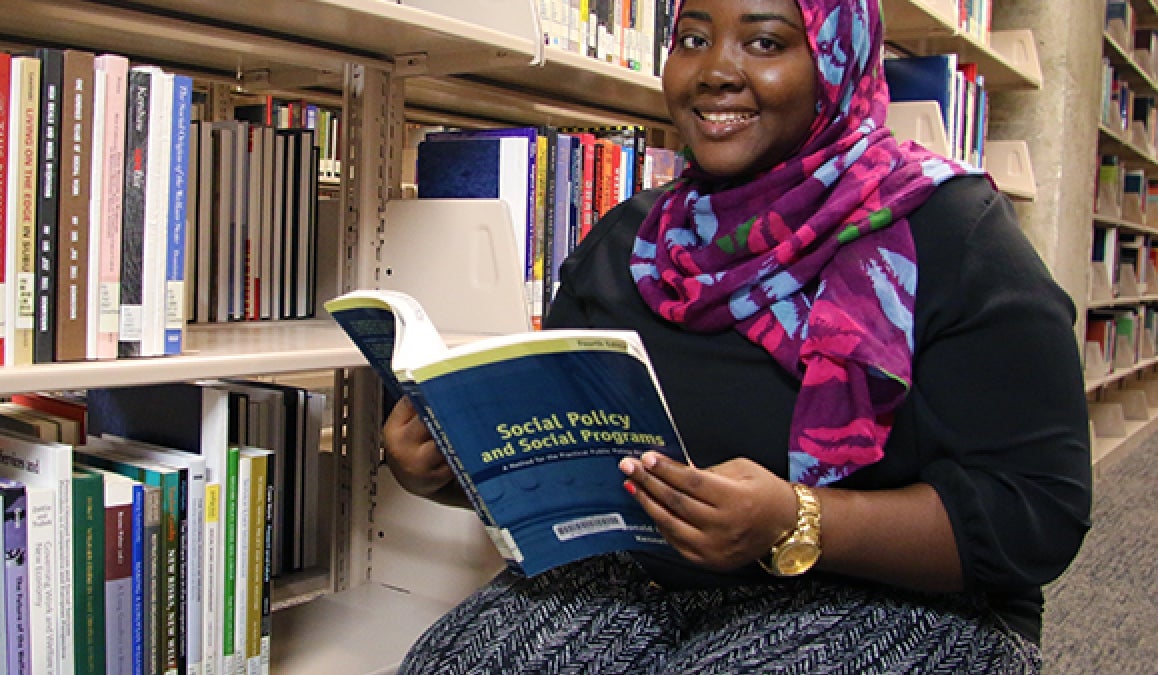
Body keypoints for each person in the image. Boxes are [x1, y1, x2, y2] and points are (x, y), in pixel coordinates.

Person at [384, 0, 1092, 672]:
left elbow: (1038, 510)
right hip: (651, 582)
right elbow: (579, 474)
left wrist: (797, 517)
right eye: (693, 38)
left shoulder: (953, 232)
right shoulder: (631, 244)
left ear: (836, 62)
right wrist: (454, 475)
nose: (716, 70)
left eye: (765, 42)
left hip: (895, 594)